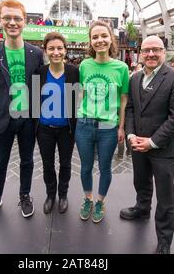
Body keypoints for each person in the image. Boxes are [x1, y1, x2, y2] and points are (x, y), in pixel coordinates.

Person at [120, 35, 174, 254]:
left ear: (164, 52)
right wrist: (131, 135)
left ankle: (164, 240)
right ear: (140, 52)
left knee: (165, 196)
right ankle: (142, 209)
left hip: (163, 147)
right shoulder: (135, 78)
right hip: (138, 143)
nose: (151, 54)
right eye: (147, 50)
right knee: (140, 181)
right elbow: (130, 108)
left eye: (156, 50)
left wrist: (152, 142)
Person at [0, 0, 43, 226]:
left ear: (25, 21)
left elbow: (40, 89)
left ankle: (24, 196)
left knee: (27, 161)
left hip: (27, 119)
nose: (12, 22)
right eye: (7, 18)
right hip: (1, 120)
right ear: (0, 20)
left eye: (17, 18)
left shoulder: (36, 53)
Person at [76, 20, 129, 224]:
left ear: (111, 39)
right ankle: (88, 199)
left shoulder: (122, 68)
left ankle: (100, 201)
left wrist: (121, 126)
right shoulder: (84, 65)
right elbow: (80, 92)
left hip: (109, 127)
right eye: (95, 37)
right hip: (85, 125)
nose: (100, 40)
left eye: (103, 36)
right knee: (85, 167)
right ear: (90, 41)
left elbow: (123, 99)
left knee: (105, 167)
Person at [36, 32, 79, 214]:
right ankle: (50, 195)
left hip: (66, 130)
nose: (56, 52)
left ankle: (63, 195)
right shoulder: (40, 73)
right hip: (44, 129)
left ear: (65, 50)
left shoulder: (74, 72)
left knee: (66, 164)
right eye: (51, 48)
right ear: (45, 51)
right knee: (47, 164)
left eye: (59, 48)